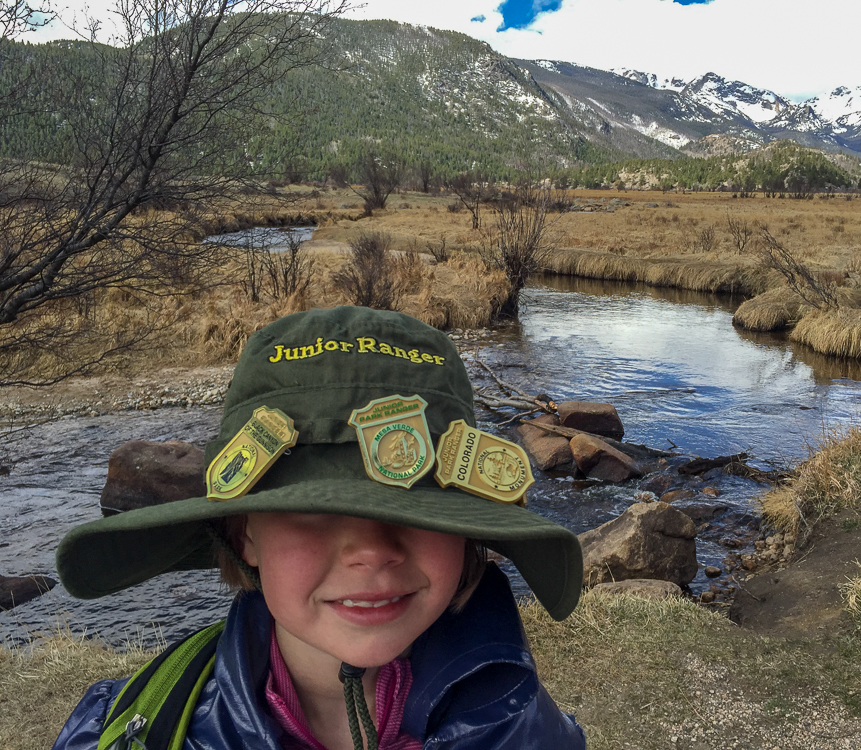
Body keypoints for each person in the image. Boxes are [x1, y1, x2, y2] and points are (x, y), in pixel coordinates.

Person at [52, 306, 586, 750]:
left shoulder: (523, 728)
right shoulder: (135, 729)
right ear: (243, 534)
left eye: (422, 511)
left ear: (467, 532)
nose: (373, 551)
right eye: (314, 509)